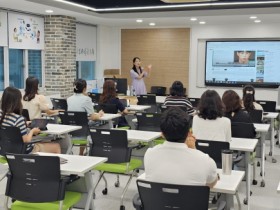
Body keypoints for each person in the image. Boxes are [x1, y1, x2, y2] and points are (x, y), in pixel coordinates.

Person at [144, 107, 218, 187]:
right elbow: (211, 184)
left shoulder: (149, 154)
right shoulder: (205, 160)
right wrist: (194, 151)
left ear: (162, 134)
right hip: (191, 199)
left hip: (157, 200)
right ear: (188, 133)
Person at [0, 87, 60, 154]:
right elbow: (26, 140)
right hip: (24, 150)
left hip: (6, 149)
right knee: (56, 146)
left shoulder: (1, 115)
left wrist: (25, 123)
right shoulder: (19, 119)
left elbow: (10, 127)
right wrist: (32, 131)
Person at [67, 79, 104, 155]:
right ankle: (96, 150)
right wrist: (99, 115)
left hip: (71, 129)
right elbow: (93, 117)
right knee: (103, 124)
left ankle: (81, 153)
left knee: (85, 122)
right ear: (84, 89)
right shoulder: (87, 99)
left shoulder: (69, 99)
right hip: (83, 129)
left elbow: (79, 115)